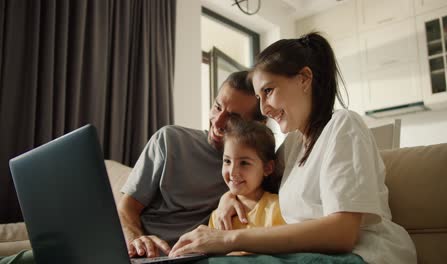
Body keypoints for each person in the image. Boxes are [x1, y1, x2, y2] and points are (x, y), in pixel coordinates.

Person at [169, 32, 417, 264]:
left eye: (268, 91)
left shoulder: (344, 125)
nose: (264, 109)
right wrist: (228, 198)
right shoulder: (293, 145)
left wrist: (228, 240)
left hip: (363, 254)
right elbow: (255, 180)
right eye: (259, 98)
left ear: (304, 79)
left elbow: (343, 233)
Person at [118, 70, 265, 258]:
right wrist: (136, 239)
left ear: (258, 125)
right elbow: (126, 208)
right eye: (217, 107)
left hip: (191, 257)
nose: (218, 122)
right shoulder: (170, 140)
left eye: (233, 118)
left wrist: (229, 195)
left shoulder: (256, 166)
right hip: (143, 253)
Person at [208, 118, 285, 232]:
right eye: (227, 161)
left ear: (267, 168)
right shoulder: (218, 216)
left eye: (244, 163)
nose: (233, 172)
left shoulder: (277, 209)